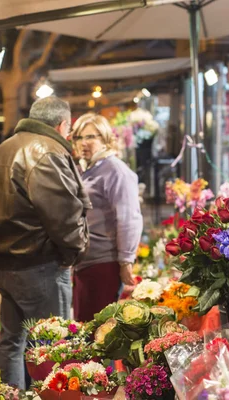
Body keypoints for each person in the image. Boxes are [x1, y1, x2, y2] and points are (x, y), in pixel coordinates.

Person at [0, 97, 90, 389]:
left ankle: (10, 395)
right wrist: (73, 253)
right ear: (61, 125)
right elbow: (64, 218)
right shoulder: (48, 152)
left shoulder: (5, 147)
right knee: (52, 349)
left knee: (11, 342)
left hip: (7, 263)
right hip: (41, 264)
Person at [71, 113, 143, 322]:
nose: (83, 143)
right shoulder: (88, 169)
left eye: (90, 137)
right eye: (78, 138)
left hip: (104, 262)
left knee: (98, 330)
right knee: (85, 328)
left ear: (104, 139)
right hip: (86, 262)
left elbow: (129, 218)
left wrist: (125, 260)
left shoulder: (115, 170)